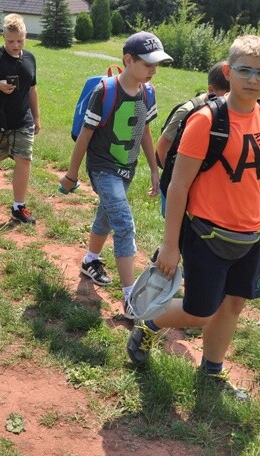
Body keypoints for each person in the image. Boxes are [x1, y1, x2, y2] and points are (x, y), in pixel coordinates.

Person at [126, 35, 260, 402]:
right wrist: (170, 245)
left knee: (233, 304)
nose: (252, 79)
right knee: (201, 310)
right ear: (228, 72)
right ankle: (149, 324)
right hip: (205, 232)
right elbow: (180, 186)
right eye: (244, 70)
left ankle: (212, 372)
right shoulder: (206, 120)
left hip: (250, 233)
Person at [59, 32, 170, 312]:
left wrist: (155, 170)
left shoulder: (148, 92)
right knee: (123, 223)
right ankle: (131, 298)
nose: (153, 71)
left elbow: (145, 131)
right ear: (128, 60)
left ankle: (89, 260)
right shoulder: (105, 91)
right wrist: (72, 175)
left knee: (107, 215)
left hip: (127, 168)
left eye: (156, 65)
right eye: (148, 64)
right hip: (102, 168)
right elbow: (85, 135)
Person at [0, 13, 40, 224]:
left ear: (25, 36)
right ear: (3, 36)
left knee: (24, 159)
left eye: (19, 40)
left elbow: (32, 89)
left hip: (22, 120)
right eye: (10, 41)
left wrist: (36, 117)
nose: (15, 45)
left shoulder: (30, 58)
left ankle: (18, 207)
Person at [155, 60, 230, 214]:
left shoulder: (230, 113)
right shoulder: (188, 111)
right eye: (227, 95)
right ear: (211, 91)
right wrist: (173, 181)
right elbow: (162, 148)